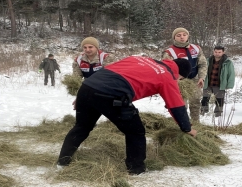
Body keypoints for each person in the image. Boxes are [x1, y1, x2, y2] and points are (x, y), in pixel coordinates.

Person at [57, 56, 197, 175]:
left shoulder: (140, 58)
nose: (179, 82)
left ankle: (62, 162)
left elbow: (108, 69)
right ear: (180, 74)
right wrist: (187, 128)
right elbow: (176, 106)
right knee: (136, 131)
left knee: (81, 127)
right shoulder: (167, 76)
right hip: (112, 94)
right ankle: (136, 169)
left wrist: (85, 95)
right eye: (181, 79)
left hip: (88, 86)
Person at [162, 27, 208, 122]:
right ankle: (183, 124)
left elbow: (202, 63)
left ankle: (196, 123)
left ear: (188, 36)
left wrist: (201, 78)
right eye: (178, 35)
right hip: (179, 82)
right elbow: (166, 70)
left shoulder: (196, 48)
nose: (182, 37)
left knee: (195, 103)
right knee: (181, 104)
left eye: (184, 35)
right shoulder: (169, 52)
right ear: (174, 37)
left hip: (195, 80)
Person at [203, 46, 235, 117]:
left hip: (220, 84)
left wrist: (230, 84)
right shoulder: (208, 60)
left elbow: (231, 73)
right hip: (208, 82)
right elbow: (202, 70)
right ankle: (203, 111)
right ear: (213, 52)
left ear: (223, 52)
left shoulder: (228, 62)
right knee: (205, 98)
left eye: (219, 52)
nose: (217, 54)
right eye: (216, 52)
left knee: (219, 99)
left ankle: (218, 113)